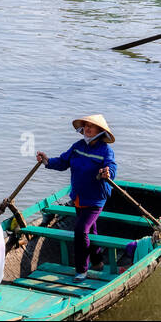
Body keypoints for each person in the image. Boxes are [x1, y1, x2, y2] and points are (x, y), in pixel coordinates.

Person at [37, 114, 118, 281]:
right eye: (86, 126)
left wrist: (107, 172)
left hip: (95, 199)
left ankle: (82, 270)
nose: (87, 129)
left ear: (100, 131)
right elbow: (62, 162)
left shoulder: (105, 150)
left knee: (80, 231)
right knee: (91, 230)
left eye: (92, 126)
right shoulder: (77, 147)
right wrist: (46, 161)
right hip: (78, 198)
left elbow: (111, 167)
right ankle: (97, 262)